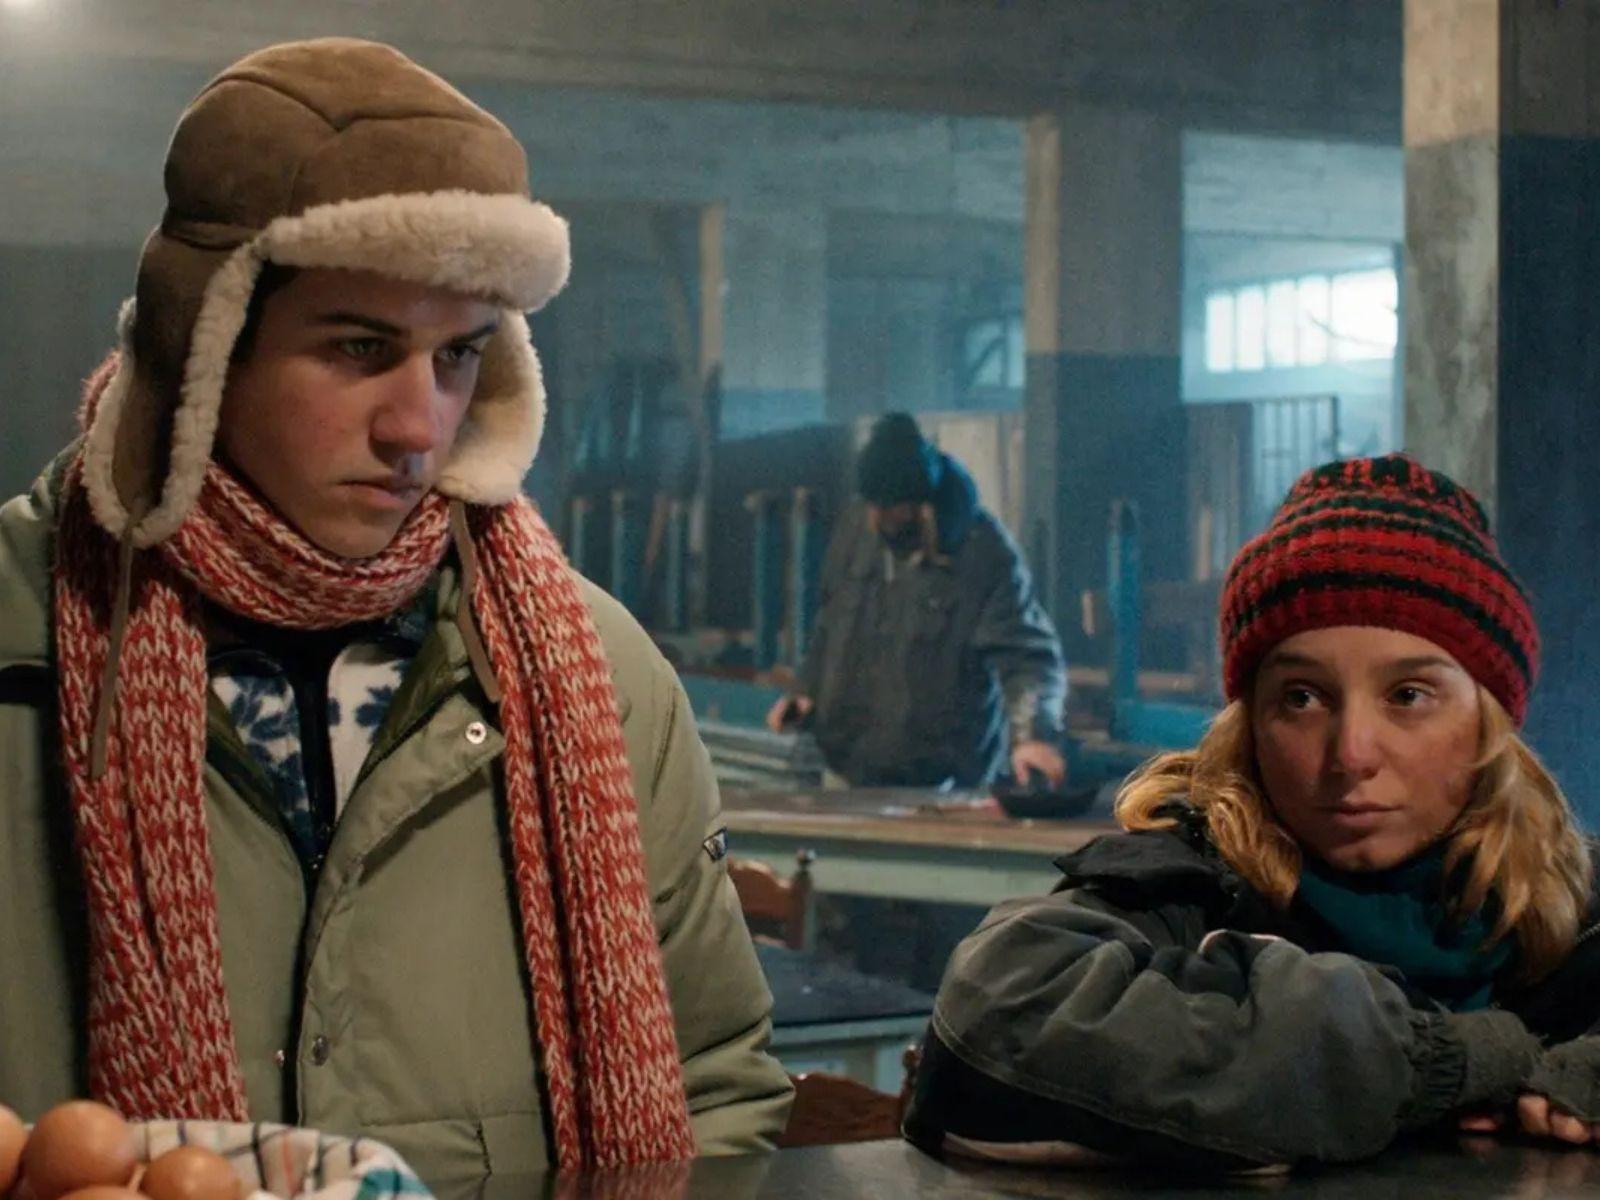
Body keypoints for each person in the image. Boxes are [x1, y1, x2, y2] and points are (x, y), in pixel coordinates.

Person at [0, 38, 791, 1184]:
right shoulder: (25, 641)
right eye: (359, 347)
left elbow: (713, 1083)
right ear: (205, 350)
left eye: (458, 355)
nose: (418, 426)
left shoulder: (599, 677)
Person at [905, 455, 1600, 1171]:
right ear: (1252, 723)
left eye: (1408, 696)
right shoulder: (1187, 892)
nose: (1351, 754)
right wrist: (1443, 1061)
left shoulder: (1572, 904)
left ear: (1490, 722)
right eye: (1302, 697)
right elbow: (996, 1013)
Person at [767, 412, 1067, 791]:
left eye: (887, 507)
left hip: (941, 785)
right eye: (870, 504)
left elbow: (1028, 657)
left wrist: (1032, 735)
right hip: (846, 769)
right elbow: (830, 621)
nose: (873, 518)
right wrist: (806, 691)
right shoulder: (858, 526)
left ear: (921, 504)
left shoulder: (984, 555)